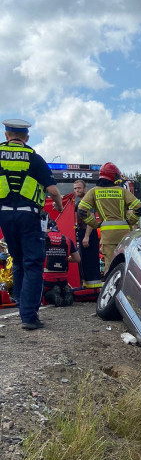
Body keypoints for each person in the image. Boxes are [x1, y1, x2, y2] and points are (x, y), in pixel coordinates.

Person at [0, 118, 64, 330]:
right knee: (33, 263)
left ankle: (20, 302)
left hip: (5, 216)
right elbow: (53, 191)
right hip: (28, 217)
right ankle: (29, 316)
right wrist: (59, 206)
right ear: (26, 137)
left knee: (17, 261)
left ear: (7, 135)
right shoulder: (34, 158)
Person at [77, 162, 141, 273]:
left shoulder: (93, 192)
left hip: (107, 237)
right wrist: (129, 221)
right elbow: (139, 208)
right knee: (125, 264)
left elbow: (82, 210)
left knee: (110, 267)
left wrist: (95, 224)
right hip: (124, 235)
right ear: (113, 176)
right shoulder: (122, 191)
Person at [43, 218, 81, 306]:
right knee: (60, 287)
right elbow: (77, 259)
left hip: (46, 278)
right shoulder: (66, 239)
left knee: (42, 293)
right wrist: (65, 257)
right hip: (63, 279)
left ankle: (51, 295)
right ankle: (65, 292)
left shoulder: (42, 238)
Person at [73, 179, 102, 291]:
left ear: (85, 189)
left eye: (79, 188)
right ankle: (87, 286)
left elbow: (91, 220)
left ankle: (94, 288)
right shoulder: (78, 203)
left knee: (90, 261)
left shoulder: (87, 202)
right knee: (84, 261)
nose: (77, 190)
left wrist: (86, 236)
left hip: (88, 233)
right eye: (75, 188)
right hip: (82, 233)